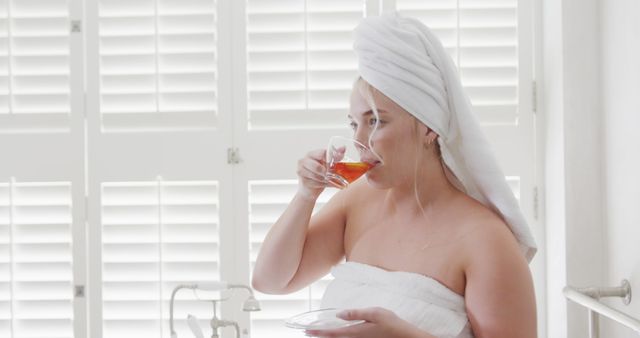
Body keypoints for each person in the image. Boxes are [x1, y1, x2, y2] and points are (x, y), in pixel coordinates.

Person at [252, 12, 537, 338]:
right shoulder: (356, 202)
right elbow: (271, 281)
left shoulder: (486, 241)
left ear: (429, 126)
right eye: (353, 123)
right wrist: (306, 195)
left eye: (376, 121)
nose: (359, 141)